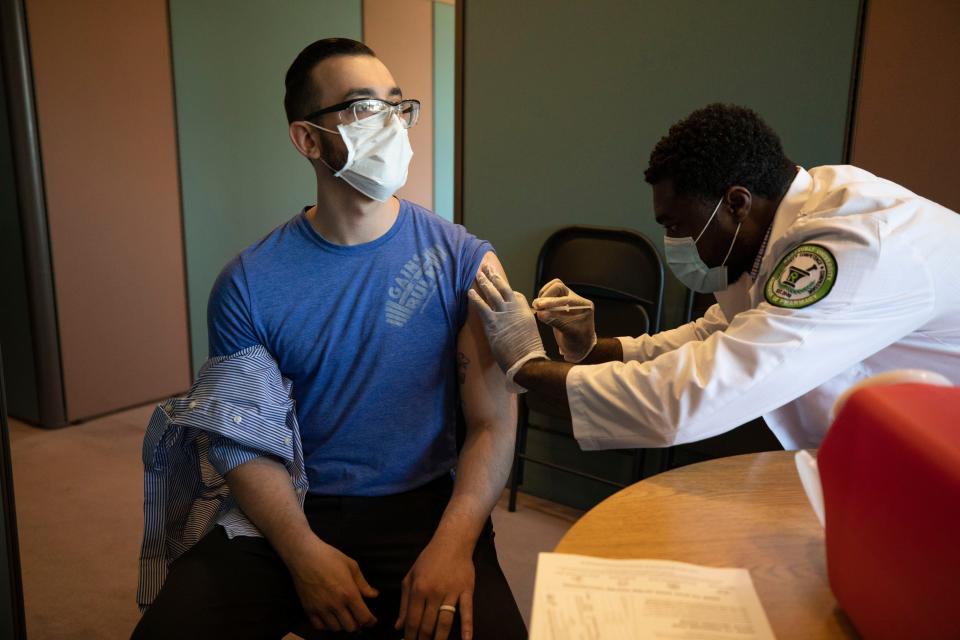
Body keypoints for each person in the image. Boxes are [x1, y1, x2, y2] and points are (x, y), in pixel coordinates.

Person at [133, 38, 526, 640]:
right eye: (366, 109)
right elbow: (240, 444)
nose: (391, 125)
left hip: (425, 509)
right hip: (292, 508)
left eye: (398, 106)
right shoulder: (248, 284)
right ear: (308, 140)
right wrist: (302, 554)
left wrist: (455, 545)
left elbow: (493, 424)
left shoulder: (464, 261)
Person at [469, 103, 960, 451]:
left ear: (737, 203)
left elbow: (691, 398)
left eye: (677, 227)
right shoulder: (784, 225)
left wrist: (526, 365)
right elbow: (719, 331)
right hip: (908, 437)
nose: (675, 244)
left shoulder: (852, 246)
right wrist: (593, 346)